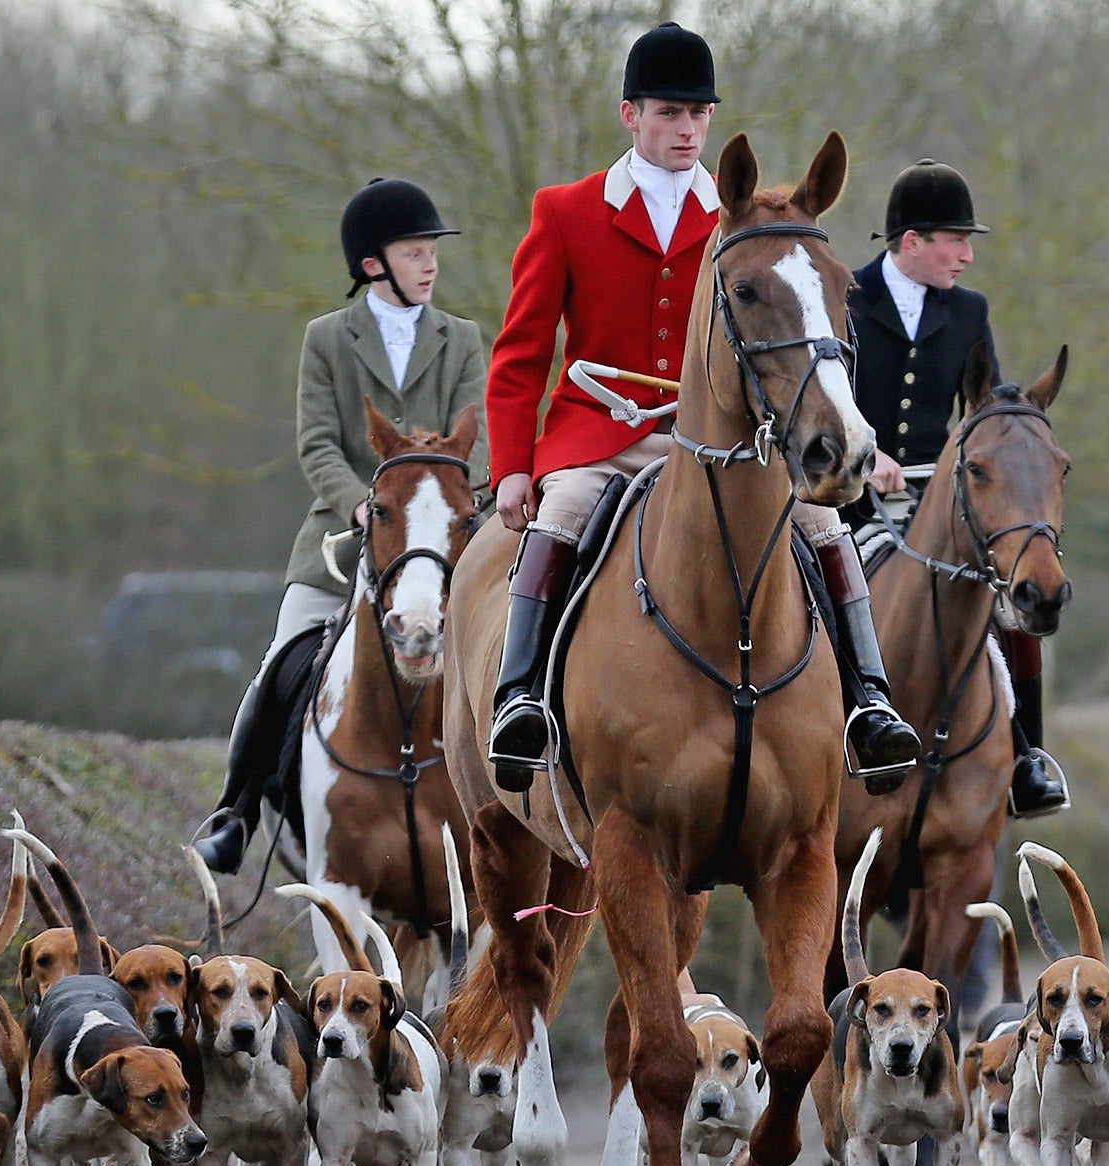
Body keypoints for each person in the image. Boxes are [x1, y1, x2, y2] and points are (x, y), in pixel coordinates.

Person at [482, 23, 918, 794]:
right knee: (567, 511)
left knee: (821, 521)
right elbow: (520, 357)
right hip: (601, 436)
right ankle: (520, 700)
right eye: (669, 113)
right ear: (631, 115)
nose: (686, 129)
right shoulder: (565, 211)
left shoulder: (742, 219)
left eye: (699, 114)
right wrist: (515, 468)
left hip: (720, 440)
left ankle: (870, 704)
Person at [193, 178, 484, 874]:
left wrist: (449, 507)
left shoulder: (463, 339)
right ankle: (235, 812)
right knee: (276, 665)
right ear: (373, 264)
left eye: (431, 253)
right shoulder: (327, 339)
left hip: (439, 543)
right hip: (342, 540)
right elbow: (317, 443)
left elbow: (483, 437)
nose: (430, 265)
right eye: (416, 253)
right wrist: (360, 502)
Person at [847, 159, 1066, 817]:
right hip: (843, 491)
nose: (968, 256)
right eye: (956, 241)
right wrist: (864, 451)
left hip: (938, 496)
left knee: (1017, 588)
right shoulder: (847, 299)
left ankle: (1027, 753)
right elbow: (815, 398)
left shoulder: (969, 311)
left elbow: (985, 411)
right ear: (911, 242)